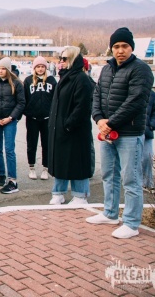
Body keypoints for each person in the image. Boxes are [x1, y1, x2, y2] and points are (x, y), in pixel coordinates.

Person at [87, 27, 154, 239]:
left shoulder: (141, 69)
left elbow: (136, 101)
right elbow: (97, 95)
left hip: (129, 133)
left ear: (131, 47)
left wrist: (111, 123)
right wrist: (99, 119)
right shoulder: (107, 69)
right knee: (109, 175)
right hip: (108, 132)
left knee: (131, 179)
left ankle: (132, 223)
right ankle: (110, 213)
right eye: (116, 46)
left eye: (124, 46)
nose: (120, 50)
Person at [47, 47, 93, 205]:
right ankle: (58, 192)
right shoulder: (64, 77)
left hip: (75, 131)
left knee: (77, 163)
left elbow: (82, 107)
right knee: (61, 161)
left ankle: (80, 195)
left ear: (73, 59)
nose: (61, 61)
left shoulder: (81, 79)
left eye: (65, 59)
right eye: (60, 58)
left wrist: (68, 125)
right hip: (60, 129)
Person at [0, 56, 26, 194]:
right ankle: (1, 174)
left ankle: (12, 180)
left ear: (8, 69)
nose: (1, 71)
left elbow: (21, 103)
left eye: (3, 68)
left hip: (10, 120)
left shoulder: (16, 83)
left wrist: (11, 117)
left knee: (9, 149)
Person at [23, 56, 56, 180]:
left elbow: (55, 99)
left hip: (47, 118)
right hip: (32, 118)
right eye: (38, 66)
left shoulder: (52, 81)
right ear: (34, 68)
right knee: (32, 143)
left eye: (42, 66)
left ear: (46, 68)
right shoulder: (28, 81)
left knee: (46, 144)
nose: (40, 69)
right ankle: (31, 168)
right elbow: (24, 98)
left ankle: (45, 169)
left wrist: (53, 114)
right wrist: (26, 112)